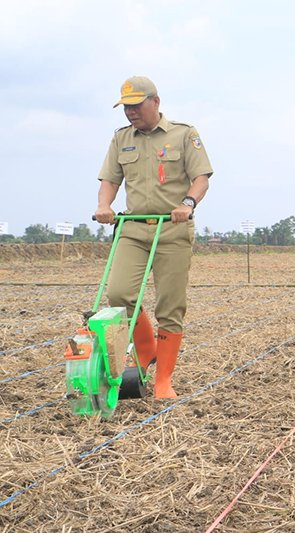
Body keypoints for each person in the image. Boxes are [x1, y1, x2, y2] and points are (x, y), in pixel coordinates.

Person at [94, 76, 213, 398]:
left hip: (172, 229)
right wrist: (104, 205)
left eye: (136, 105)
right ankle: (147, 353)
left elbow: (201, 177)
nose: (130, 113)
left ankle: (163, 380)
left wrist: (187, 204)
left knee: (169, 306)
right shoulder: (121, 139)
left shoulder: (184, 134)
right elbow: (109, 178)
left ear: (155, 102)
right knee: (119, 294)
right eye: (126, 107)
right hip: (132, 229)